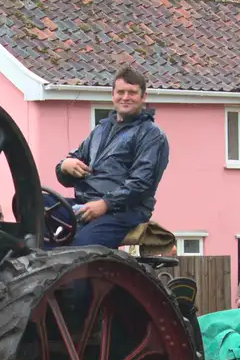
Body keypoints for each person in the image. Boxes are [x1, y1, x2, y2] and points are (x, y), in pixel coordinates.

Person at [55, 66, 170, 249]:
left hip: (124, 212)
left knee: (77, 251)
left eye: (132, 92)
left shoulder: (151, 135)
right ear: (113, 95)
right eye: (121, 92)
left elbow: (141, 183)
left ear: (143, 97)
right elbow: (71, 170)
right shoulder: (101, 130)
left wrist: (105, 204)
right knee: (34, 206)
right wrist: (64, 166)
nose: (125, 97)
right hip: (86, 204)